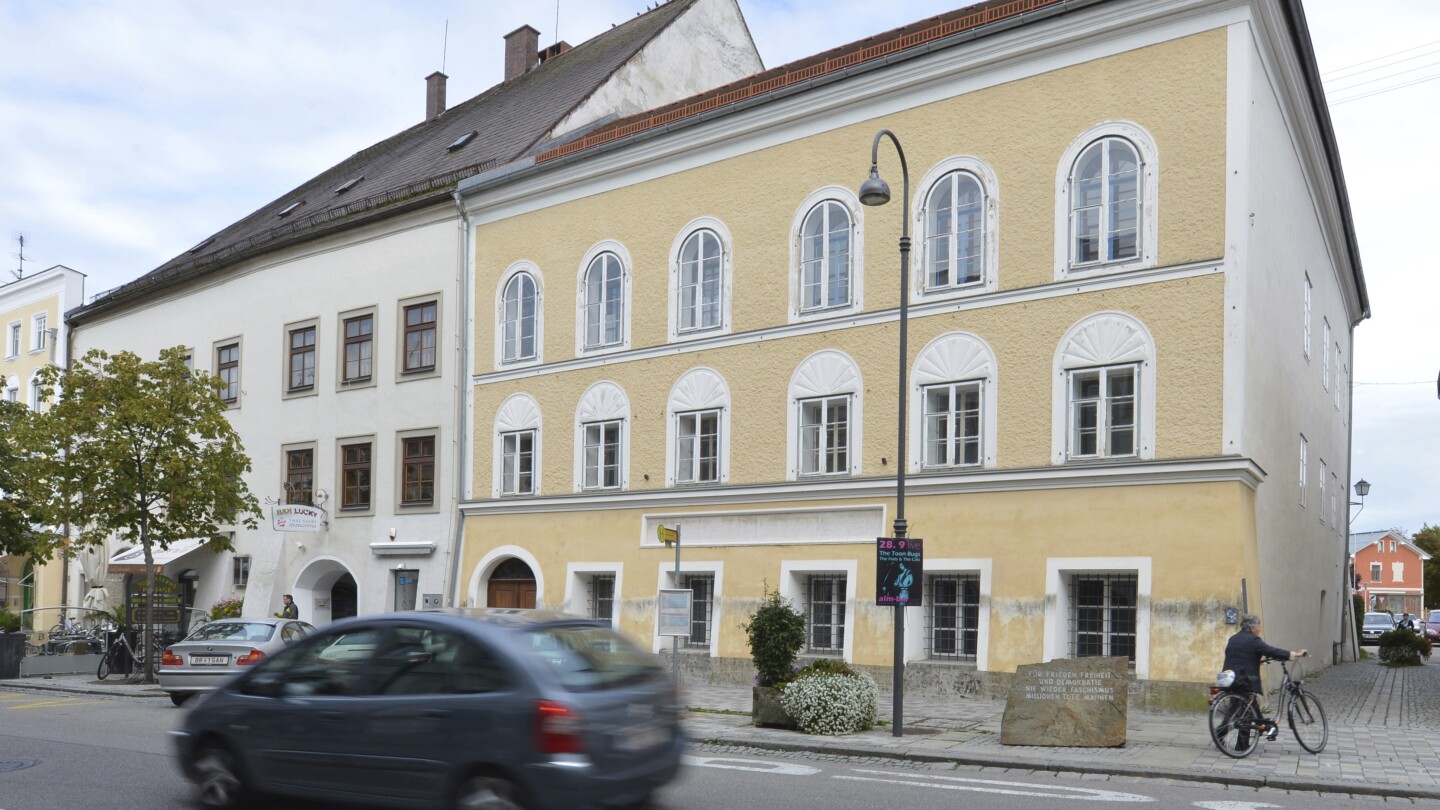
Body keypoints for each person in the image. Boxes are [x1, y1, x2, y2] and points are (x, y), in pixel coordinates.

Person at [1221, 614, 1307, 744]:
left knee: (1236, 707)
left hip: (1230, 679)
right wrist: (1294, 654)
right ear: (1252, 627)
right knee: (1247, 712)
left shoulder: (1233, 639)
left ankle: (1222, 734)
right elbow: (1271, 651)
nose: (1260, 629)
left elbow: (1238, 656)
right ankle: (1242, 747)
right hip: (1245, 680)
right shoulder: (1254, 641)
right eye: (1259, 626)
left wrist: (1254, 661)